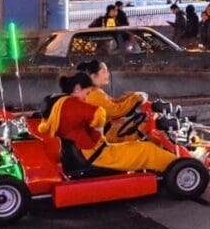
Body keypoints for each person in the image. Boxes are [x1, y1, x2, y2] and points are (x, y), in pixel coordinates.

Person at [39, 72, 178, 173]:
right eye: (87, 93)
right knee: (146, 149)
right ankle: (178, 165)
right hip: (95, 153)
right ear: (77, 89)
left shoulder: (62, 104)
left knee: (135, 143)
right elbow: (98, 114)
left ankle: (165, 164)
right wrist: (99, 124)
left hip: (87, 151)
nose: (87, 97)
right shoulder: (73, 104)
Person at [75, 59, 147, 142]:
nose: (108, 74)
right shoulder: (93, 95)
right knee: (142, 135)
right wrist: (136, 98)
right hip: (103, 137)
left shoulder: (94, 91)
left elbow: (113, 102)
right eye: (104, 71)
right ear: (93, 76)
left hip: (106, 130)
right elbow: (117, 111)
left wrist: (132, 96)